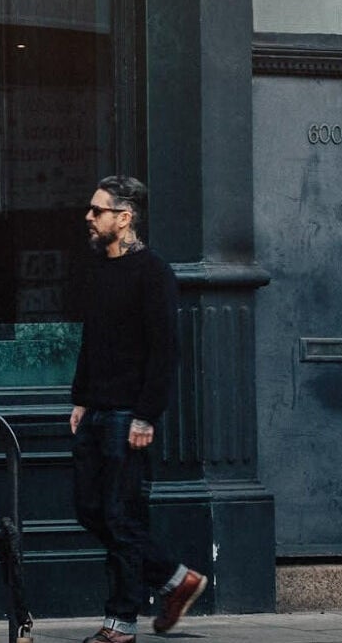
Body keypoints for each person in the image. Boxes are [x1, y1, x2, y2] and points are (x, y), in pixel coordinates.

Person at [69, 175, 207, 643]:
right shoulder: (98, 271)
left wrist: (146, 415)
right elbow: (94, 340)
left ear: (124, 218)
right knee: (90, 510)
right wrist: (81, 397)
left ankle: (120, 625)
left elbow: (164, 351)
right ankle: (174, 578)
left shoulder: (153, 273)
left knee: (122, 519)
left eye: (98, 210)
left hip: (129, 415)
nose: (89, 217)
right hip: (96, 411)